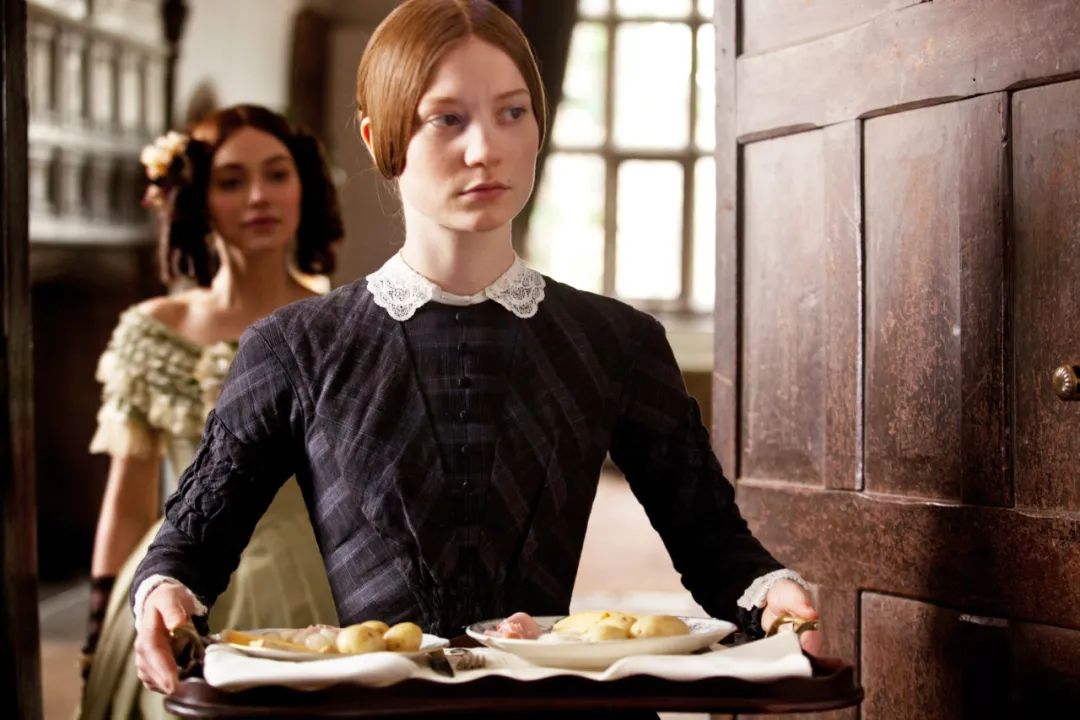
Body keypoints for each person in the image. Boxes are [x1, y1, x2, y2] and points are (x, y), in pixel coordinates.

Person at [132, 0, 821, 698]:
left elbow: (714, 545)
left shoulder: (617, 342)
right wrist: (162, 594)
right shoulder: (294, 347)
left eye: (512, 112)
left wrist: (774, 595)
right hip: (373, 714)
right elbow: (190, 546)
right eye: (448, 119)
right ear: (379, 139)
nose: (485, 148)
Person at [80, 104, 342, 719]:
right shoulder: (153, 330)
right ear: (198, 198)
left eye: (277, 174)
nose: (259, 196)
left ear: (303, 185)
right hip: (178, 575)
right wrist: (95, 632)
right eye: (231, 181)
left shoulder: (342, 323)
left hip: (318, 584)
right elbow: (128, 500)